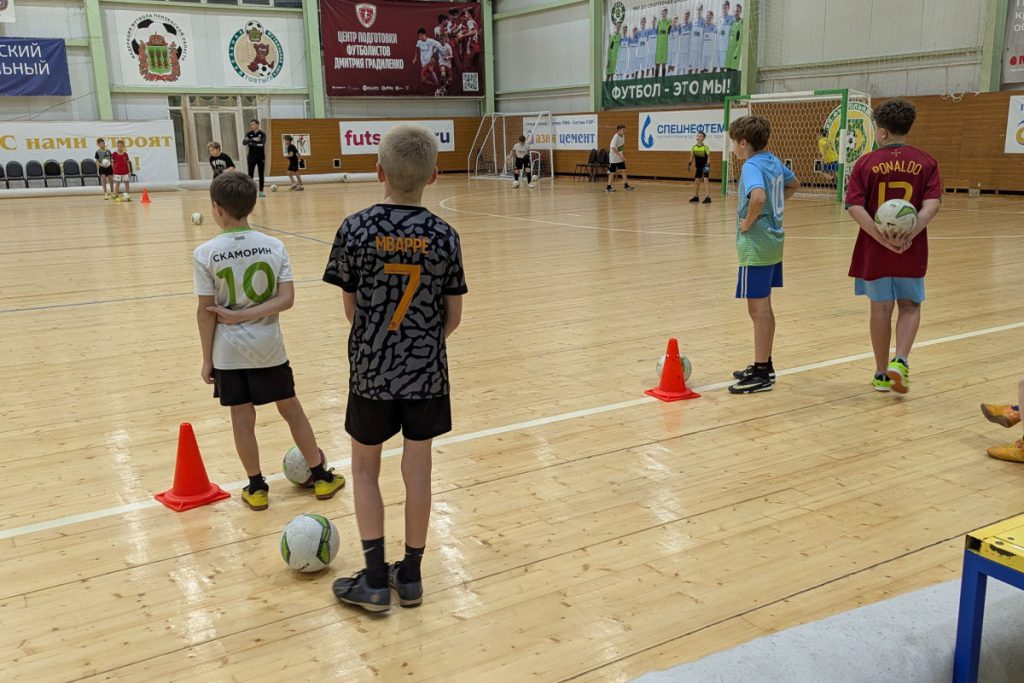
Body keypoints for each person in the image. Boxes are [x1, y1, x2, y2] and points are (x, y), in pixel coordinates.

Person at [325, 125, 467, 612]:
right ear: (433, 175)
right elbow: (453, 318)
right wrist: (419, 344)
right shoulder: (444, 235)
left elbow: (352, 309)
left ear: (378, 170)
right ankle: (410, 576)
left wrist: (383, 341)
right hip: (426, 373)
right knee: (418, 470)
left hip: (371, 372)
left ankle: (371, 579)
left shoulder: (355, 228)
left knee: (364, 469)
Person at [193, 171, 344, 510]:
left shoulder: (205, 253)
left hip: (228, 352)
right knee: (291, 409)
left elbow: (205, 312)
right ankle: (321, 477)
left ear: (217, 208)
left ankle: (256, 487)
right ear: (251, 205)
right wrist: (249, 316)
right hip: (269, 348)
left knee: (242, 420)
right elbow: (286, 299)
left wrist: (207, 359)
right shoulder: (274, 246)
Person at [845, 99, 941, 393]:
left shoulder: (866, 163)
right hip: (910, 248)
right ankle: (900, 359)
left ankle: (881, 374)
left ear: (882, 132)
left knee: (880, 309)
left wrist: (880, 235)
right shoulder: (926, 161)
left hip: (876, 250)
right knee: (910, 305)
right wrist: (909, 232)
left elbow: (853, 205)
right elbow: (932, 204)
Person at [728, 116, 800, 394]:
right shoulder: (772, 160)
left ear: (743, 143)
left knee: (757, 310)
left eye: (734, 142)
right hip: (773, 243)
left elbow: (757, 197)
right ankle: (764, 364)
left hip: (756, 246)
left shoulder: (751, 166)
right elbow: (794, 185)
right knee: (763, 308)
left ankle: (761, 373)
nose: (733, 147)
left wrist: (747, 222)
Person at [243, 119, 267, 197]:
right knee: (250, 174)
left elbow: (262, 145)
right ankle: (250, 191)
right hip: (251, 157)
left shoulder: (262, 134)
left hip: (260, 157)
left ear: (257, 124)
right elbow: (244, 142)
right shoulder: (249, 133)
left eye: (253, 124)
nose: (252, 126)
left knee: (261, 174)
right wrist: (253, 139)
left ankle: (261, 191)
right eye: (251, 124)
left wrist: (251, 143)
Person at [606, 124, 633, 193]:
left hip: (619, 157)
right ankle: (608, 187)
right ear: (618, 130)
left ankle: (626, 185)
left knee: (624, 170)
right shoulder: (615, 137)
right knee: (612, 172)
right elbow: (613, 147)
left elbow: (620, 147)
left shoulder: (623, 136)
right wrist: (620, 156)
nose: (624, 131)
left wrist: (622, 155)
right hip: (614, 158)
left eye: (624, 130)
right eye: (623, 130)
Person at [688, 130, 712, 203]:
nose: (698, 137)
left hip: (705, 166)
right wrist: (689, 164)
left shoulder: (705, 147)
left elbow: (708, 156)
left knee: (705, 180)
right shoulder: (694, 147)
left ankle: (708, 197)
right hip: (698, 167)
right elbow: (692, 156)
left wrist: (707, 165)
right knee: (696, 181)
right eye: (697, 136)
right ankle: (696, 196)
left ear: (703, 138)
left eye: (700, 136)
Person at [715, 1, 735, 71]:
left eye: (725, 7)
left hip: (726, 47)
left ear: (728, 8)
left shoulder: (732, 18)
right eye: (723, 8)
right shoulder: (719, 19)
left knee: (726, 67)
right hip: (719, 47)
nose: (724, 9)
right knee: (721, 67)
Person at [725, 4, 743, 70]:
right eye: (735, 11)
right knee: (728, 72)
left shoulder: (742, 23)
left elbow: (740, 40)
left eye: (738, 11)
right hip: (730, 53)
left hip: (736, 54)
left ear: (741, 12)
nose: (736, 13)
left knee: (734, 73)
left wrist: (736, 52)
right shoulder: (732, 23)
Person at [655, 9, 672, 78]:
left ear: (667, 13)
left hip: (665, 47)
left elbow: (669, 31)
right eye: (663, 13)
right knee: (657, 64)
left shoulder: (668, 22)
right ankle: (655, 80)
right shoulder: (659, 22)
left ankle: (663, 80)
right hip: (658, 48)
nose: (664, 14)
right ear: (661, 13)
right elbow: (657, 32)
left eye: (665, 13)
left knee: (664, 64)